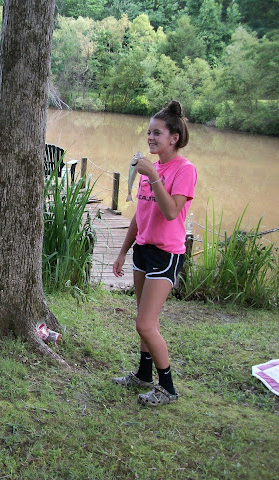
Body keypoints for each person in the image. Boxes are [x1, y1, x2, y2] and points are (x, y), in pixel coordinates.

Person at [112, 100, 197, 407]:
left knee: (145, 324)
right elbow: (141, 213)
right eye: (148, 132)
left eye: (157, 133)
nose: (150, 137)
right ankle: (143, 374)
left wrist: (154, 176)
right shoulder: (153, 167)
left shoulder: (184, 170)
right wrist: (123, 251)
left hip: (166, 254)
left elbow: (172, 212)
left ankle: (168, 388)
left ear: (174, 137)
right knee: (143, 319)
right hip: (143, 250)